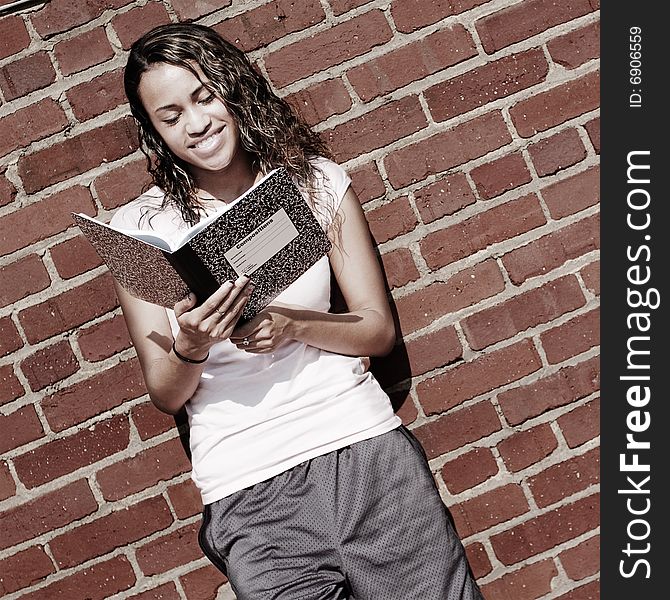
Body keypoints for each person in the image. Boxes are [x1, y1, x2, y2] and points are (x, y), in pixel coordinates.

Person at [114, 22, 484, 600]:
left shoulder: (315, 185)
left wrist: (292, 325)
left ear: (232, 89)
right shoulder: (141, 230)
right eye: (171, 116)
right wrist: (190, 345)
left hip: (364, 454)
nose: (196, 124)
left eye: (204, 97)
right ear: (155, 131)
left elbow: (377, 329)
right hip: (247, 485)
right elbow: (165, 393)